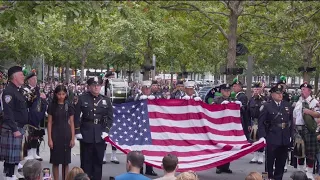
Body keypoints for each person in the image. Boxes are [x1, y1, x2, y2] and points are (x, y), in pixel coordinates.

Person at [74, 76, 113, 180]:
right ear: (89, 87)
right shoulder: (82, 98)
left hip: (100, 134)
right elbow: (76, 116)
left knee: (98, 163)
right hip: (86, 133)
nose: (96, 87)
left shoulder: (106, 100)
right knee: (86, 163)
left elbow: (110, 118)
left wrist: (106, 131)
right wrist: (77, 131)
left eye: (98, 85)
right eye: (94, 85)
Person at [258, 84, 293, 180]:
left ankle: (278, 178)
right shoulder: (267, 106)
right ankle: (266, 178)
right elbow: (261, 123)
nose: (280, 95)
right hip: (272, 136)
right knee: (269, 162)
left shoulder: (287, 105)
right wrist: (262, 136)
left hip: (284, 137)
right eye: (277, 93)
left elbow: (291, 122)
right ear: (272, 94)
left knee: (281, 162)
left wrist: (291, 135)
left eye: (281, 93)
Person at [0, 66, 29, 180]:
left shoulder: (18, 90)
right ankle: (9, 174)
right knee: (11, 155)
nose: (23, 77)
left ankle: (15, 172)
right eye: (21, 75)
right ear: (15, 77)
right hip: (12, 127)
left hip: (19, 126)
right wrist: (14, 129)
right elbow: (8, 112)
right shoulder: (8, 91)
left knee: (16, 154)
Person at [126, 80, 157, 176]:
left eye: (148, 88)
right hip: (139, 126)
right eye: (145, 88)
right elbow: (128, 102)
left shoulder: (155, 98)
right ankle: (140, 168)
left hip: (151, 126)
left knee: (149, 148)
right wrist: (139, 99)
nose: (147, 90)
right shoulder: (136, 97)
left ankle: (149, 168)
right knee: (140, 149)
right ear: (142, 89)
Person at [47, 85, 75, 180]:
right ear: (55, 94)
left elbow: (72, 122)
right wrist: (49, 139)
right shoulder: (52, 105)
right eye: (59, 94)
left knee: (65, 161)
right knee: (55, 161)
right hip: (55, 133)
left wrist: (72, 138)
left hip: (66, 134)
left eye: (63, 94)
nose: (61, 96)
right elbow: (49, 122)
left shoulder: (69, 105)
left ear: (66, 94)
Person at [293, 82, 320, 179]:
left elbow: (318, 115)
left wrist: (309, 112)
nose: (302, 91)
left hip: (309, 130)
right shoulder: (298, 102)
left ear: (309, 91)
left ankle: (309, 172)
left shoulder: (314, 102)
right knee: (300, 150)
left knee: (310, 153)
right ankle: (300, 171)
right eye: (301, 90)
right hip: (299, 129)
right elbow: (295, 117)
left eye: (304, 90)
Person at [23, 70, 47, 161]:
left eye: (36, 79)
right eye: (33, 79)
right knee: (30, 135)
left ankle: (34, 152)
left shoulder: (38, 89)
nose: (35, 80)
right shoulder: (26, 90)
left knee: (37, 135)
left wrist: (43, 98)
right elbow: (27, 103)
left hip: (38, 115)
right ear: (29, 80)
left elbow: (42, 100)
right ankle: (28, 153)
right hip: (30, 115)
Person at [248, 82, 266, 164]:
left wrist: (262, 99)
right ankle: (255, 156)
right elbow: (247, 112)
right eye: (255, 89)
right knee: (254, 139)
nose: (256, 91)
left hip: (261, 121)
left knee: (260, 138)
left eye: (258, 89)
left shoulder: (264, 99)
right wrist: (248, 124)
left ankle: (261, 156)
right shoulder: (251, 100)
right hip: (253, 121)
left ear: (261, 90)